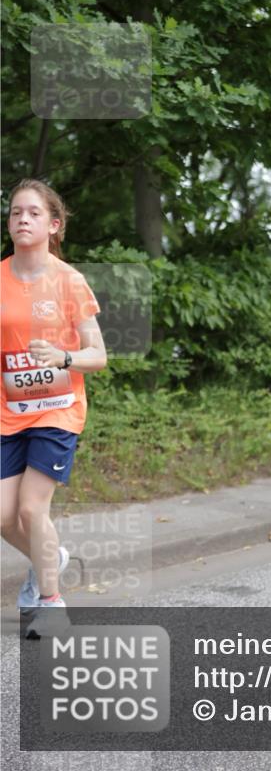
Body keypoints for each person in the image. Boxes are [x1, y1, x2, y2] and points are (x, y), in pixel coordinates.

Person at [1, 179, 107, 638]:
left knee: (30, 509)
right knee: (2, 515)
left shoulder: (69, 280)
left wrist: (63, 358)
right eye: (15, 213)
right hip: (9, 412)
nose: (22, 219)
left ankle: (51, 601)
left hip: (58, 409)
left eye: (33, 213)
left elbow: (97, 355)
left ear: (53, 224)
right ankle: (51, 559)